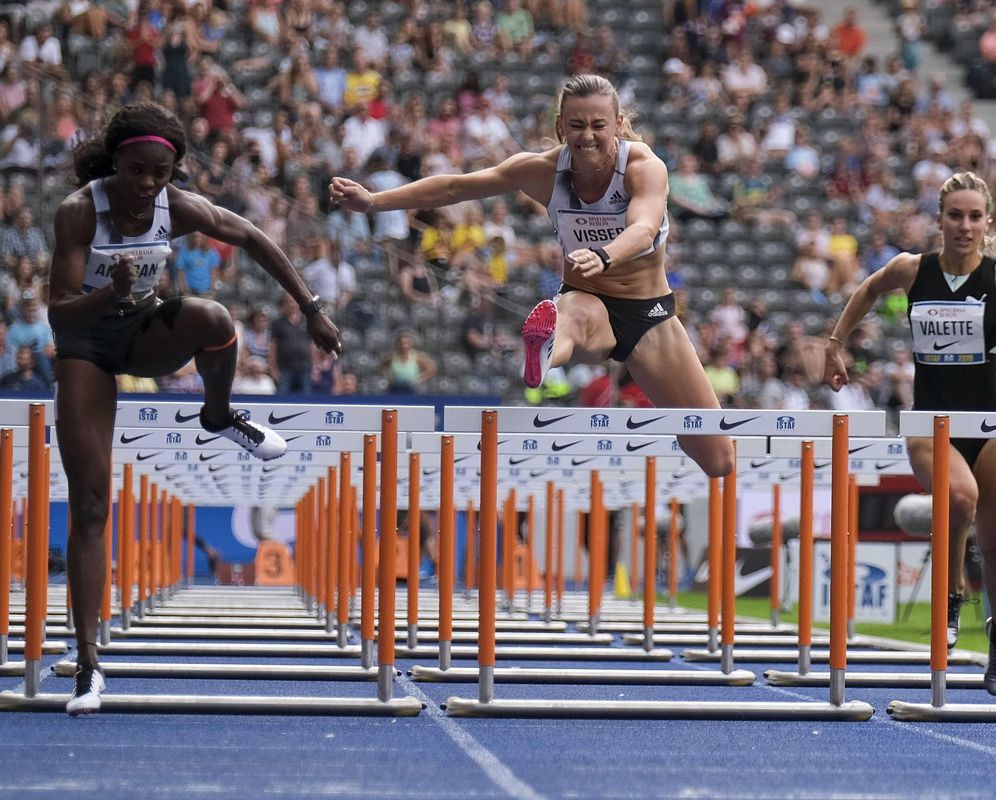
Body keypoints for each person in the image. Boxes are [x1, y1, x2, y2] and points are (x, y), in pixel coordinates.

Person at [50, 103, 341, 716]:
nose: (148, 185)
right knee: (90, 502)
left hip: (144, 334)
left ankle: (217, 413)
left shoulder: (174, 206)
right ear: (116, 160)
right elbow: (58, 311)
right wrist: (109, 292)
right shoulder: (80, 211)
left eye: (162, 172)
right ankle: (88, 662)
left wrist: (311, 307)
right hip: (86, 347)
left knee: (213, 316)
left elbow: (254, 237)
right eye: (137, 171)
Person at [331, 74, 734, 477]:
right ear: (561, 126)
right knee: (572, 317)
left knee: (719, 460)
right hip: (587, 300)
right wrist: (373, 202)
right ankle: (543, 353)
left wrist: (605, 256)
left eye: (598, 126)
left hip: (649, 316)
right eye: (576, 126)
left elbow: (644, 228)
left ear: (617, 123)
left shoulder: (643, 167)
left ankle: (669, 422)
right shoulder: (542, 171)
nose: (587, 137)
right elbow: (455, 188)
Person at [822, 172, 996, 695]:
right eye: (955, 215)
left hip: (990, 425)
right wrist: (834, 344)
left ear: (988, 223)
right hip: (930, 423)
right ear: (939, 219)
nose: (965, 226)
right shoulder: (914, 270)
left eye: (975, 216)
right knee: (959, 496)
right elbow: (867, 287)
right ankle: (952, 595)